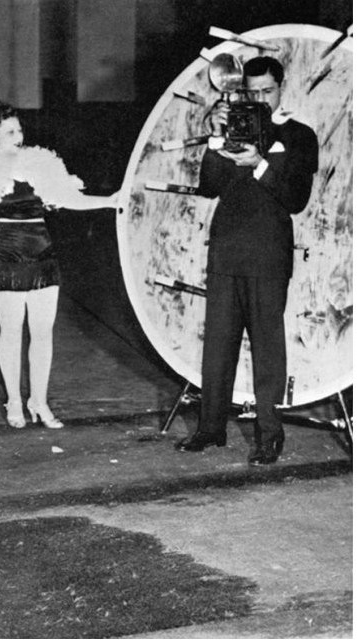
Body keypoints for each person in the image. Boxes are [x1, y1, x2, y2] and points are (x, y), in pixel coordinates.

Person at [0, 100, 118, 429]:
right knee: (11, 331)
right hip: (5, 253)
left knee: (43, 332)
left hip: (41, 251)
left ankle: (39, 401)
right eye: (9, 132)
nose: (18, 137)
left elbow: (68, 198)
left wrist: (109, 201)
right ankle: (15, 401)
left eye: (19, 130)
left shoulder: (39, 161)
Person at [175, 57, 318, 465]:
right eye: (251, 92)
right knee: (217, 347)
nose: (259, 99)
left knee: (268, 350)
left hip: (268, 255)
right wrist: (215, 137)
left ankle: (270, 436)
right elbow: (209, 187)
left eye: (266, 91)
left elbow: (296, 200)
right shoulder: (232, 130)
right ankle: (210, 428)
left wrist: (259, 165)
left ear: (281, 88)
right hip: (226, 251)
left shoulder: (299, 135)